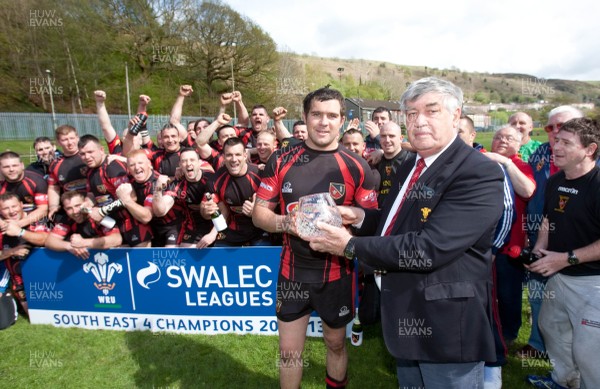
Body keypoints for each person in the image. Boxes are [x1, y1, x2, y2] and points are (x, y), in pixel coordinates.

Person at [304, 77, 504, 389]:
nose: (419, 121)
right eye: (411, 114)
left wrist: (350, 246)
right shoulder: (412, 166)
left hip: (446, 325)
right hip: (406, 312)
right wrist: (360, 217)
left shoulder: (477, 172)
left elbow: (428, 248)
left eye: (431, 111)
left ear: (456, 115)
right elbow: (393, 223)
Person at [253, 87, 378, 389]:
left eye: (332, 115)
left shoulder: (358, 166)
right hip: (292, 273)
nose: (324, 122)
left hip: (337, 275)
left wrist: (350, 216)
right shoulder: (281, 160)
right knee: (289, 353)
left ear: (344, 121)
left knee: (335, 344)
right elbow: (259, 214)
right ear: (306, 118)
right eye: (317, 115)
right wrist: (287, 223)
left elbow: (373, 221)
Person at [525, 117, 600, 389]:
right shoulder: (556, 180)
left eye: (566, 142)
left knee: (590, 352)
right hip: (560, 275)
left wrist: (565, 258)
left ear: (589, 149)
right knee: (552, 329)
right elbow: (547, 219)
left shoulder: (597, 184)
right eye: (556, 140)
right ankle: (564, 381)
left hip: (593, 283)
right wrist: (539, 249)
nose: (556, 147)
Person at [520, 105, 584, 360]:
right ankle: (538, 344)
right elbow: (530, 195)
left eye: (564, 126)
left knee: (578, 305)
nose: (556, 132)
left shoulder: (593, 161)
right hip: (540, 237)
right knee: (537, 294)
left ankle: (576, 356)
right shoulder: (538, 154)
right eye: (551, 127)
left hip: (580, 246)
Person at [484, 125, 536, 345]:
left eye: (509, 138)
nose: (503, 141)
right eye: (498, 137)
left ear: (520, 142)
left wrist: (506, 163)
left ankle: (509, 334)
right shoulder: (482, 160)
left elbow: (527, 191)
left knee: (508, 293)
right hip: (483, 243)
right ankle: (486, 331)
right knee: (484, 291)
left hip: (510, 245)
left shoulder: (522, 165)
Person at [78, 135, 152, 247]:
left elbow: (130, 197)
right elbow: (92, 194)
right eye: (82, 154)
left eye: (90, 152)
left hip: (133, 224)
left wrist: (102, 211)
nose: (87, 157)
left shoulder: (112, 167)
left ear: (101, 150)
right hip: (114, 225)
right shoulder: (90, 171)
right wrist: (87, 203)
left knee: (140, 262)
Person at [202, 137, 267, 247]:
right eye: (229, 155)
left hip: (260, 232)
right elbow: (218, 213)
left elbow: (274, 207)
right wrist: (206, 213)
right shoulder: (215, 181)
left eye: (238, 155)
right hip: (230, 233)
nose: (234, 159)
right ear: (223, 157)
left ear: (245, 155)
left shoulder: (261, 175)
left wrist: (256, 212)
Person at [0, 192, 49, 316]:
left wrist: (20, 232)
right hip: (18, 277)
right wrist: (12, 252)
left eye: (14, 206)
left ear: (22, 205)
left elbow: (45, 239)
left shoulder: (35, 219)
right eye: (6, 208)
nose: (11, 211)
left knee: (50, 311)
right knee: (34, 316)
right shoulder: (2, 228)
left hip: (45, 274)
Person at [45, 191, 122, 259]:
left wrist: (83, 243)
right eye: (69, 208)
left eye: (77, 205)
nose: (75, 211)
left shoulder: (96, 214)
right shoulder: (67, 219)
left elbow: (117, 239)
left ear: (85, 203)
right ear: (65, 209)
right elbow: (50, 241)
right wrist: (70, 246)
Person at [0, 151, 48, 229]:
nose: (11, 169)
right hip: (7, 220)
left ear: (22, 165)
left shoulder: (36, 181)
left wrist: (18, 224)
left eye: (15, 165)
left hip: (34, 219)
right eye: (6, 167)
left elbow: (43, 209)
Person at [377, 121, 413, 206]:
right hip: (378, 214)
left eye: (392, 136)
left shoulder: (412, 161)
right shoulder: (375, 162)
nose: (387, 140)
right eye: (383, 136)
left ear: (401, 138)